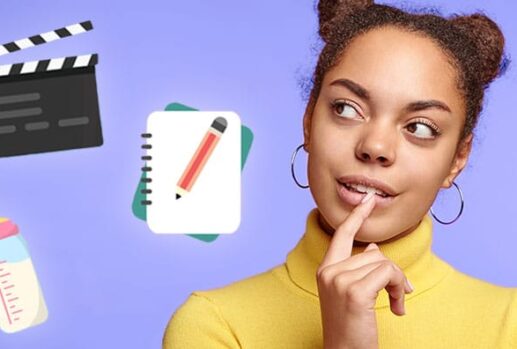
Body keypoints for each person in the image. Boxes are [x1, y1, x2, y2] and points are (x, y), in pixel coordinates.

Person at [163, 1, 517, 348]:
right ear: (308, 123)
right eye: (346, 108)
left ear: (457, 158)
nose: (375, 146)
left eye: (420, 128)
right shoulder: (214, 326)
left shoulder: (508, 324)